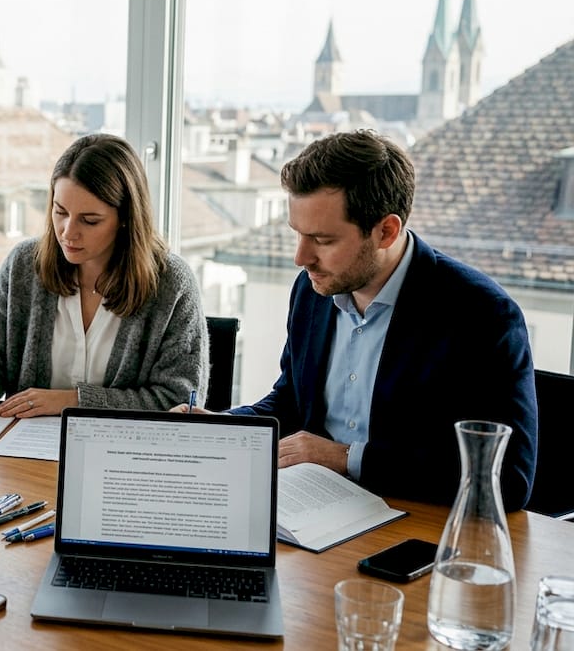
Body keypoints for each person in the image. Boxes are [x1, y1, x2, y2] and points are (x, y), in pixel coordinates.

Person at [176, 129, 537, 511]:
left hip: (416, 524)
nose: (301, 258)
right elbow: (293, 402)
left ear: (386, 231)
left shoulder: (481, 315)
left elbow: (508, 478)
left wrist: (344, 457)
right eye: (298, 234)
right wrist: (224, 428)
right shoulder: (312, 290)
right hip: (314, 510)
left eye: (323, 240)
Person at [0, 133, 208, 423]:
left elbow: (178, 400)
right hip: (21, 455)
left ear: (126, 217)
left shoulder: (171, 284)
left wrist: (73, 401)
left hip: (122, 458)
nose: (67, 232)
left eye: (90, 221)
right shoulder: (25, 265)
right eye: (60, 211)